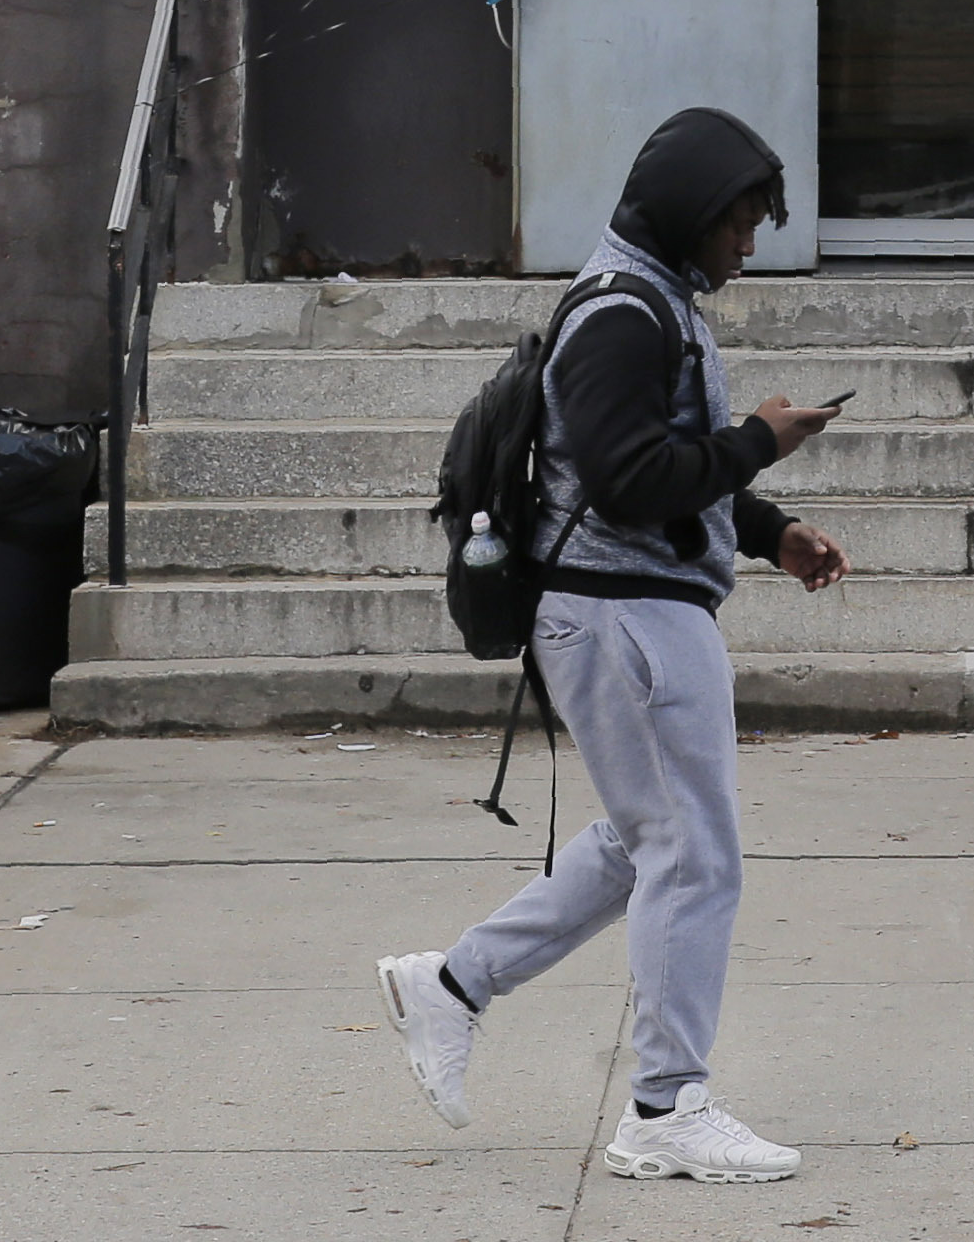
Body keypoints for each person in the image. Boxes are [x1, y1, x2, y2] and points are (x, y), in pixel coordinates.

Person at [379, 107, 849, 1184]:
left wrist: (772, 530)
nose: (749, 242)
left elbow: (641, 479)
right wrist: (756, 441)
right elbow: (634, 481)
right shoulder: (625, 315)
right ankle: (663, 1106)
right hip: (621, 615)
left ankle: (447, 986)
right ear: (689, 212)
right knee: (691, 852)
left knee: (652, 841)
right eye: (738, 220)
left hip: (634, 608)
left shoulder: (650, 303)